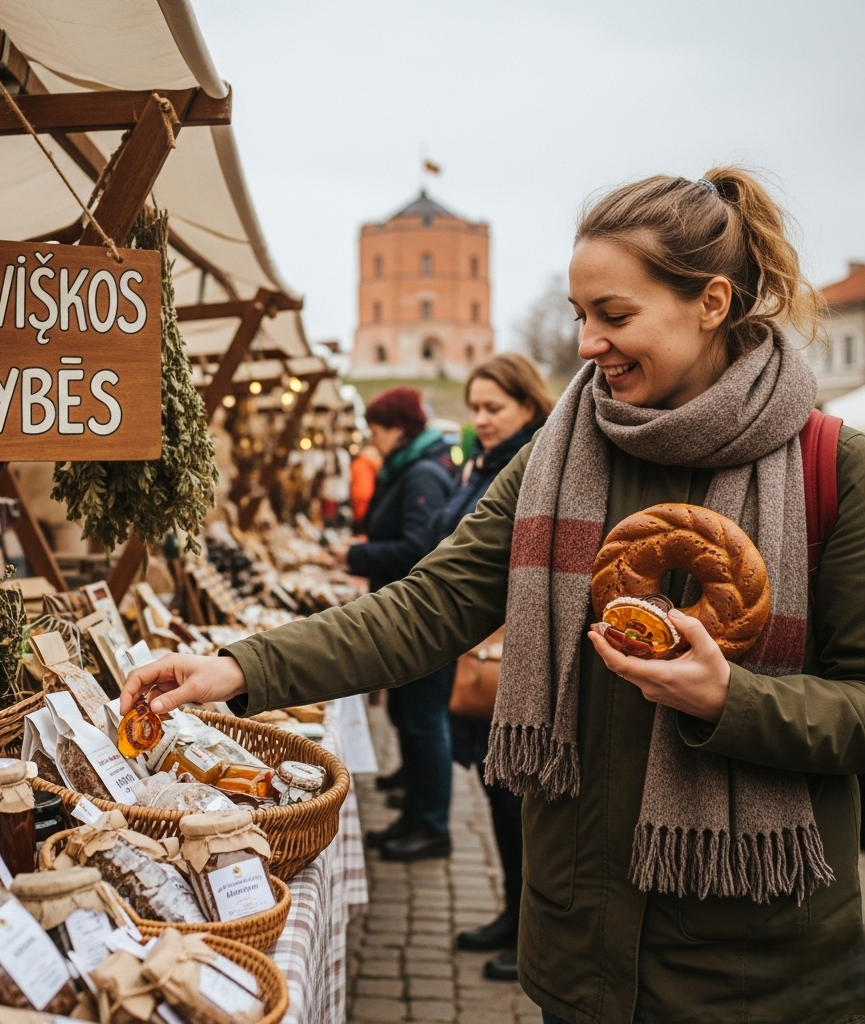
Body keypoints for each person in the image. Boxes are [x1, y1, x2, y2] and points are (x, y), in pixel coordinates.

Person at [123, 168, 865, 1023]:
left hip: (755, 962)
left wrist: (730, 700)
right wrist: (238, 668)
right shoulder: (564, 450)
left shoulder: (829, 469)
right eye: (582, 316)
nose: (587, 345)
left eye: (615, 316)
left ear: (712, 303)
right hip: (580, 939)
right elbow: (428, 604)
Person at [434, 353, 555, 982]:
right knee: (497, 796)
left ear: (528, 407)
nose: (480, 418)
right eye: (475, 407)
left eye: (493, 408)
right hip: (484, 651)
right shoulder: (483, 462)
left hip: (515, 660)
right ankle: (512, 914)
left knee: (520, 808)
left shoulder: (530, 465)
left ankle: (531, 929)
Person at [334, 386, 457, 860]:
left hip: (423, 617)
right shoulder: (410, 467)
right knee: (410, 716)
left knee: (425, 721)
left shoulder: (421, 473)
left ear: (397, 428)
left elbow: (417, 547)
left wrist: (354, 554)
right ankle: (415, 815)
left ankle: (432, 825)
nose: (372, 440)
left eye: (376, 430)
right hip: (406, 611)